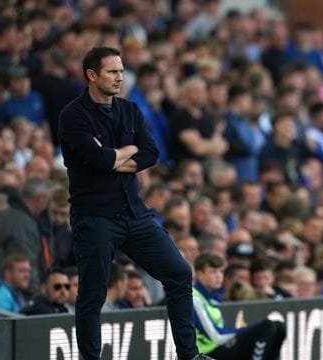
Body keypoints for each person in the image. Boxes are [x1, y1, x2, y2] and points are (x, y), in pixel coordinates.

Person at [57, 47, 210, 360]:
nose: (119, 77)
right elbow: (100, 160)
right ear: (91, 75)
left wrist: (116, 156)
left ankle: (189, 355)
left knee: (180, 273)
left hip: (135, 213)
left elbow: (151, 153)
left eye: (121, 71)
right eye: (112, 72)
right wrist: (125, 152)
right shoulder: (73, 115)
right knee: (92, 294)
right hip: (95, 217)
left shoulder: (130, 110)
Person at [192, 253, 286, 360]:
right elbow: (216, 336)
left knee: (279, 326)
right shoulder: (194, 297)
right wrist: (249, 330)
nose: (219, 276)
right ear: (199, 274)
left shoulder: (213, 297)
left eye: (221, 271)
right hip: (207, 354)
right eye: (213, 272)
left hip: (220, 348)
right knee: (267, 326)